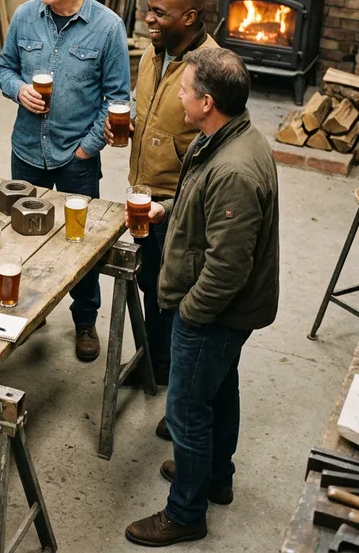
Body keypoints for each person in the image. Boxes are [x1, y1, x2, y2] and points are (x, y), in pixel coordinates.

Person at [125, 48, 279, 547]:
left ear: (207, 102)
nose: (179, 96)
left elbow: (227, 268)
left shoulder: (234, 169)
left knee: (187, 411)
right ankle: (214, 476)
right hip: (224, 312)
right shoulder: (224, 138)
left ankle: (186, 513)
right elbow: (203, 203)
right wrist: (167, 211)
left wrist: (189, 316)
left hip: (216, 313)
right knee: (220, 389)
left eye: (185, 90)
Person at [0, 0, 130, 362]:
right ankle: (28, 312)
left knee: (79, 244)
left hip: (76, 156)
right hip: (26, 151)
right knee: (22, 237)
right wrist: (18, 90)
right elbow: (4, 69)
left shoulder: (108, 27)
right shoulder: (25, 16)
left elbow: (117, 99)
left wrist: (87, 150)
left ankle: (85, 320)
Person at [104, 0, 218, 395]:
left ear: (189, 17)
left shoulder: (211, 68)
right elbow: (149, 109)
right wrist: (131, 125)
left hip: (179, 202)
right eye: (148, 9)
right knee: (150, 282)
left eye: (159, 13)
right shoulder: (155, 53)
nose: (147, 19)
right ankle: (156, 362)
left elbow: (216, 141)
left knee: (175, 292)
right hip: (143, 192)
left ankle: (175, 377)